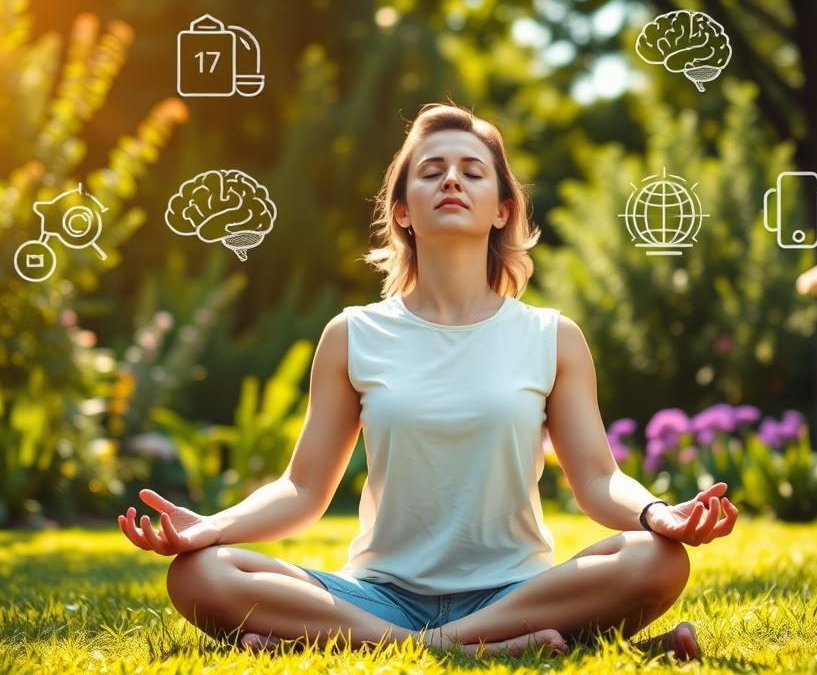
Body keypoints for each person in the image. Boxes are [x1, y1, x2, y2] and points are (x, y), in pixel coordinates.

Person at [118, 102, 738, 659]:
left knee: (656, 560)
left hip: (518, 592)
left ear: (502, 209)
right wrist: (210, 528)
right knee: (199, 575)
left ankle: (426, 644)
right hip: (379, 596)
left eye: (472, 171)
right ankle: (472, 648)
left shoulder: (552, 336)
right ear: (402, 211)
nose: (450, 179)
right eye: (431, 169)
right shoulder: (352, 334)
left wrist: (658, 515)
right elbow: (302, 487)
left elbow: (599, 481)